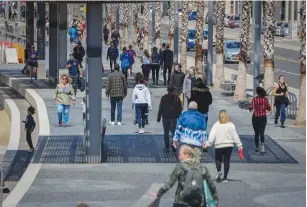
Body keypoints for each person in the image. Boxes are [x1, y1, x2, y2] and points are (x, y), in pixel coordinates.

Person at [154, 145, 218, 207]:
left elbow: (169, 184)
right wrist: (215, 199)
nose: (179, 157)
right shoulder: (202, 167)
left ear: (186, 155)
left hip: (182, 201)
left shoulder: (180, 167)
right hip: (198, 201)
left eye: (180, 155)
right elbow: (211, 185)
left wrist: (158, 194)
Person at [204, 110, 243, 183]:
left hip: (218, 145)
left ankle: (219, 171)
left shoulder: (216, 124)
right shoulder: (231, 125)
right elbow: (235, 137)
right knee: (226, 160)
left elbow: (211, 136)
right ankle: (225, 178)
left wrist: (207, 145)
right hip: (229, 146)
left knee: (218, 159)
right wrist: (239, 146)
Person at [157, 85, 182, 151]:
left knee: (166, 132)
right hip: (174, 117)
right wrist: (180, 117)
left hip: (165, 117)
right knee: (173, 132)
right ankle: (173, 145)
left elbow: (160, 108)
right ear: (173, 90)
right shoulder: (177, 97)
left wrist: (159, 117)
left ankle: (167, 146)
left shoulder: (164, 97)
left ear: (167, 90)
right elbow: (180, 108)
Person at [249, 87, 271, 154]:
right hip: (263, 117)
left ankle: (257, 148)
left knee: (256, 133)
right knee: (262, 132)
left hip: (255, 117)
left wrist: (249, 108)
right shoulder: (265, 100)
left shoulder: (254, 99)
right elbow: (269, 108)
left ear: (257, 92)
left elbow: (251, 108)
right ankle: (263, 146)